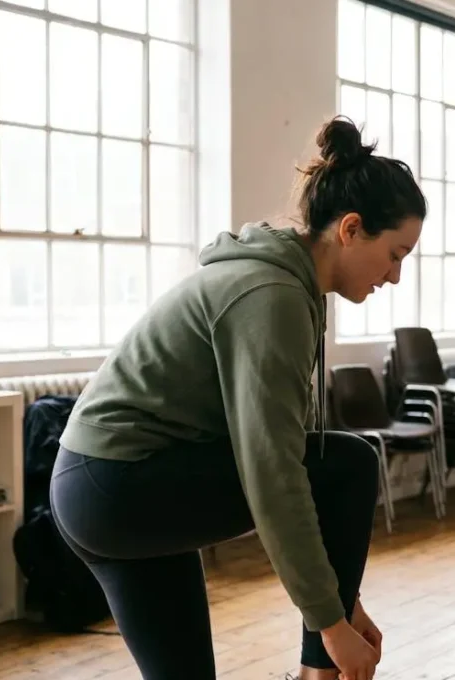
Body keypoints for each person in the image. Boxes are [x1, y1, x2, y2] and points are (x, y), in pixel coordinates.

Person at [49, 117, 425, 680]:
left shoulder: (285, 287)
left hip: (103, 487)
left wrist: (342, 604)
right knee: (347, 465)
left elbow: (286, 455)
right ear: (351, 229)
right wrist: (331, 626)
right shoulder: (272, 296)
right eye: (395, 254)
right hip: (121, 484)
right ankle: (319, 675)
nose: (394, 276)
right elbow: (276, 473)